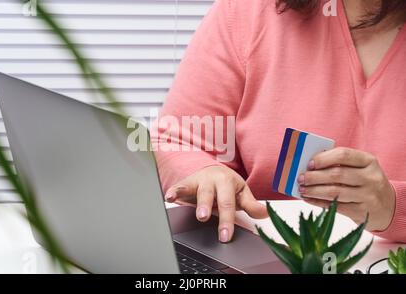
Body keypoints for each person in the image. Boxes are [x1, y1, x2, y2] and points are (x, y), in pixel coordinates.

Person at [151, 0, 406, 243]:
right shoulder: (249, 11)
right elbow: (175, 141)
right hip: (259, 254)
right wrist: (203, 173)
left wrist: (394, 208)